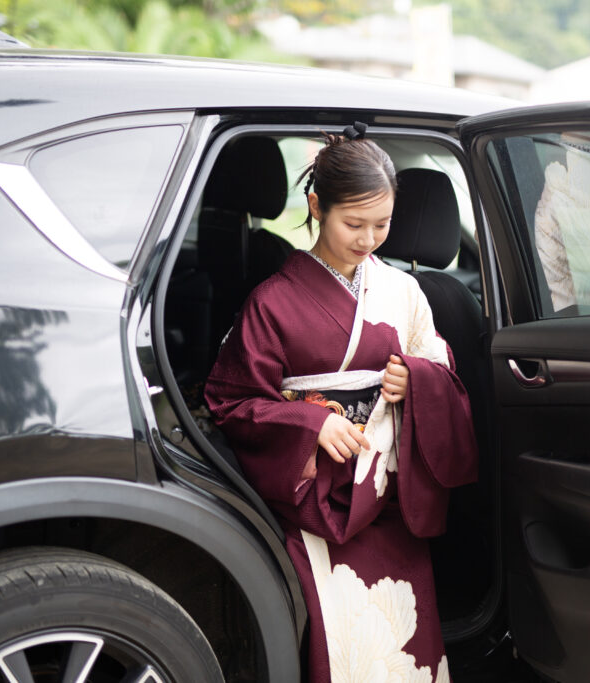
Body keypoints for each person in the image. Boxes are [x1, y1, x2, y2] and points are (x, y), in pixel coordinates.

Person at [204, 123, 478, 683]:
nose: (369, 239)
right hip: (316, 492)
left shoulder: (404, 291)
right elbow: (230, 400)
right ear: (316, 207)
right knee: (344, 637)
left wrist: (415, 382)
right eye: (354, 223)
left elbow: (441, 369)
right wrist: (307, 423)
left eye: (382, 225)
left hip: (385, 485)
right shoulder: (273, 301)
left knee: (403, 637)